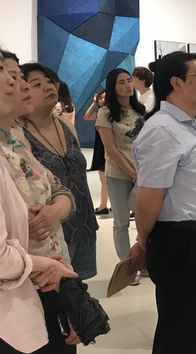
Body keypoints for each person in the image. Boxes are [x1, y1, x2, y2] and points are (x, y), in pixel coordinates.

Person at [128, 51, 196, 354]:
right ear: (176, 83)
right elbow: (148, 199)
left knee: (188, 327)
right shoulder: (162, 129)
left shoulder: (188, 123)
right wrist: (144, 241)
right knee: (178, 330)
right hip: (180, 242)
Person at [0, 49, 80, 354]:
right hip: (21, 287)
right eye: (10, 75)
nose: (17, 83)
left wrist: (56, 210)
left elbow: (59, 187)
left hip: (50, 272)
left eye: (19, 76)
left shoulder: (16, 137)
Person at [18, 61, 99, 282]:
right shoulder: (18, 134)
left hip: (82, 222)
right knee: (56, 295)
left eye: (48, 81)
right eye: (36, 84)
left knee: (78, 291)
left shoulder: (65, 125)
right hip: (49, 233)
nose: (47, 87)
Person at [95, 68, 145, 274]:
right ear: (112, 87)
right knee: (122, 221)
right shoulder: (105, 113)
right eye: (121, 82)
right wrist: (133, 173)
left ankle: (144, 262)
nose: (127, 85)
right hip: (119, 173)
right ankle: (128, 268)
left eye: (129, 81)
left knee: (145, 220)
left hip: (143, 172)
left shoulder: (140, 110)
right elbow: (111, 150)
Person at [83, 90, 110, 214]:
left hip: (105, 147)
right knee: (103, 179)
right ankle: (104, 205)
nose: (102, 100)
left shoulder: (109, 113)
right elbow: (86, 116)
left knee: (105, 180)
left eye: (104, 98)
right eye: (100, 98)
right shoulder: (100, 113)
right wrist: (93, 103)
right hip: (100, 147)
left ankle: (103, 206)